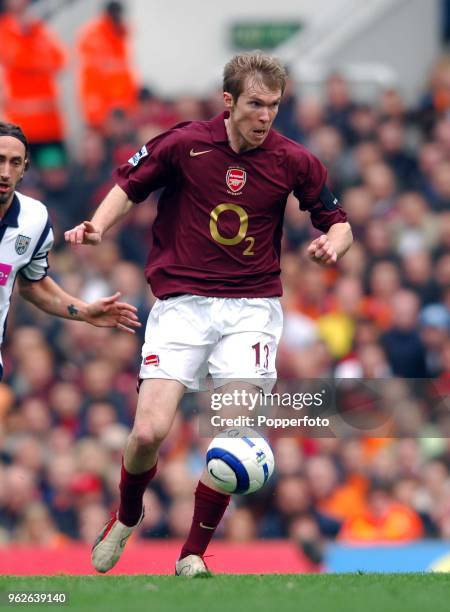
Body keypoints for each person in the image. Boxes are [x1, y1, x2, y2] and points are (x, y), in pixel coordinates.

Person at [65, 52, 353, 576]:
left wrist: (333, 243)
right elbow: (129, 186)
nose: (265, 116)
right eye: (255, 105)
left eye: (274, 106)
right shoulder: (184, 143)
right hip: (181, 305)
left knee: (234, 434)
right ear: (229, 101)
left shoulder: (294, 159)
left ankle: (192, 553)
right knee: (149, 432)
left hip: (251, 309)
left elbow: (339, 220)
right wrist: (98, 226)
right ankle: (127, 516)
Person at [0, 121, 141, 381]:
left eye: (15, 162)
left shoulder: (35, 218)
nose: (5, 171)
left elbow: (34, 286)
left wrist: (84, 311)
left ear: (24, 170)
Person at [0, 0, 67, 156]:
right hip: (21, 128)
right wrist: (40, 60)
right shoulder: (4, 31)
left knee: (56, 175)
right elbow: (17, 59)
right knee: (24, 176)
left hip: (51, 126)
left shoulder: (40, 29)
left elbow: (60, 59)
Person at [76, 1, 138, 129]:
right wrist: (97, 114)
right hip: (102, 113)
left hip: (120, 109)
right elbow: (92, 79)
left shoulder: (120, 33)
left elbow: (124, 74)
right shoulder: (94, 35)